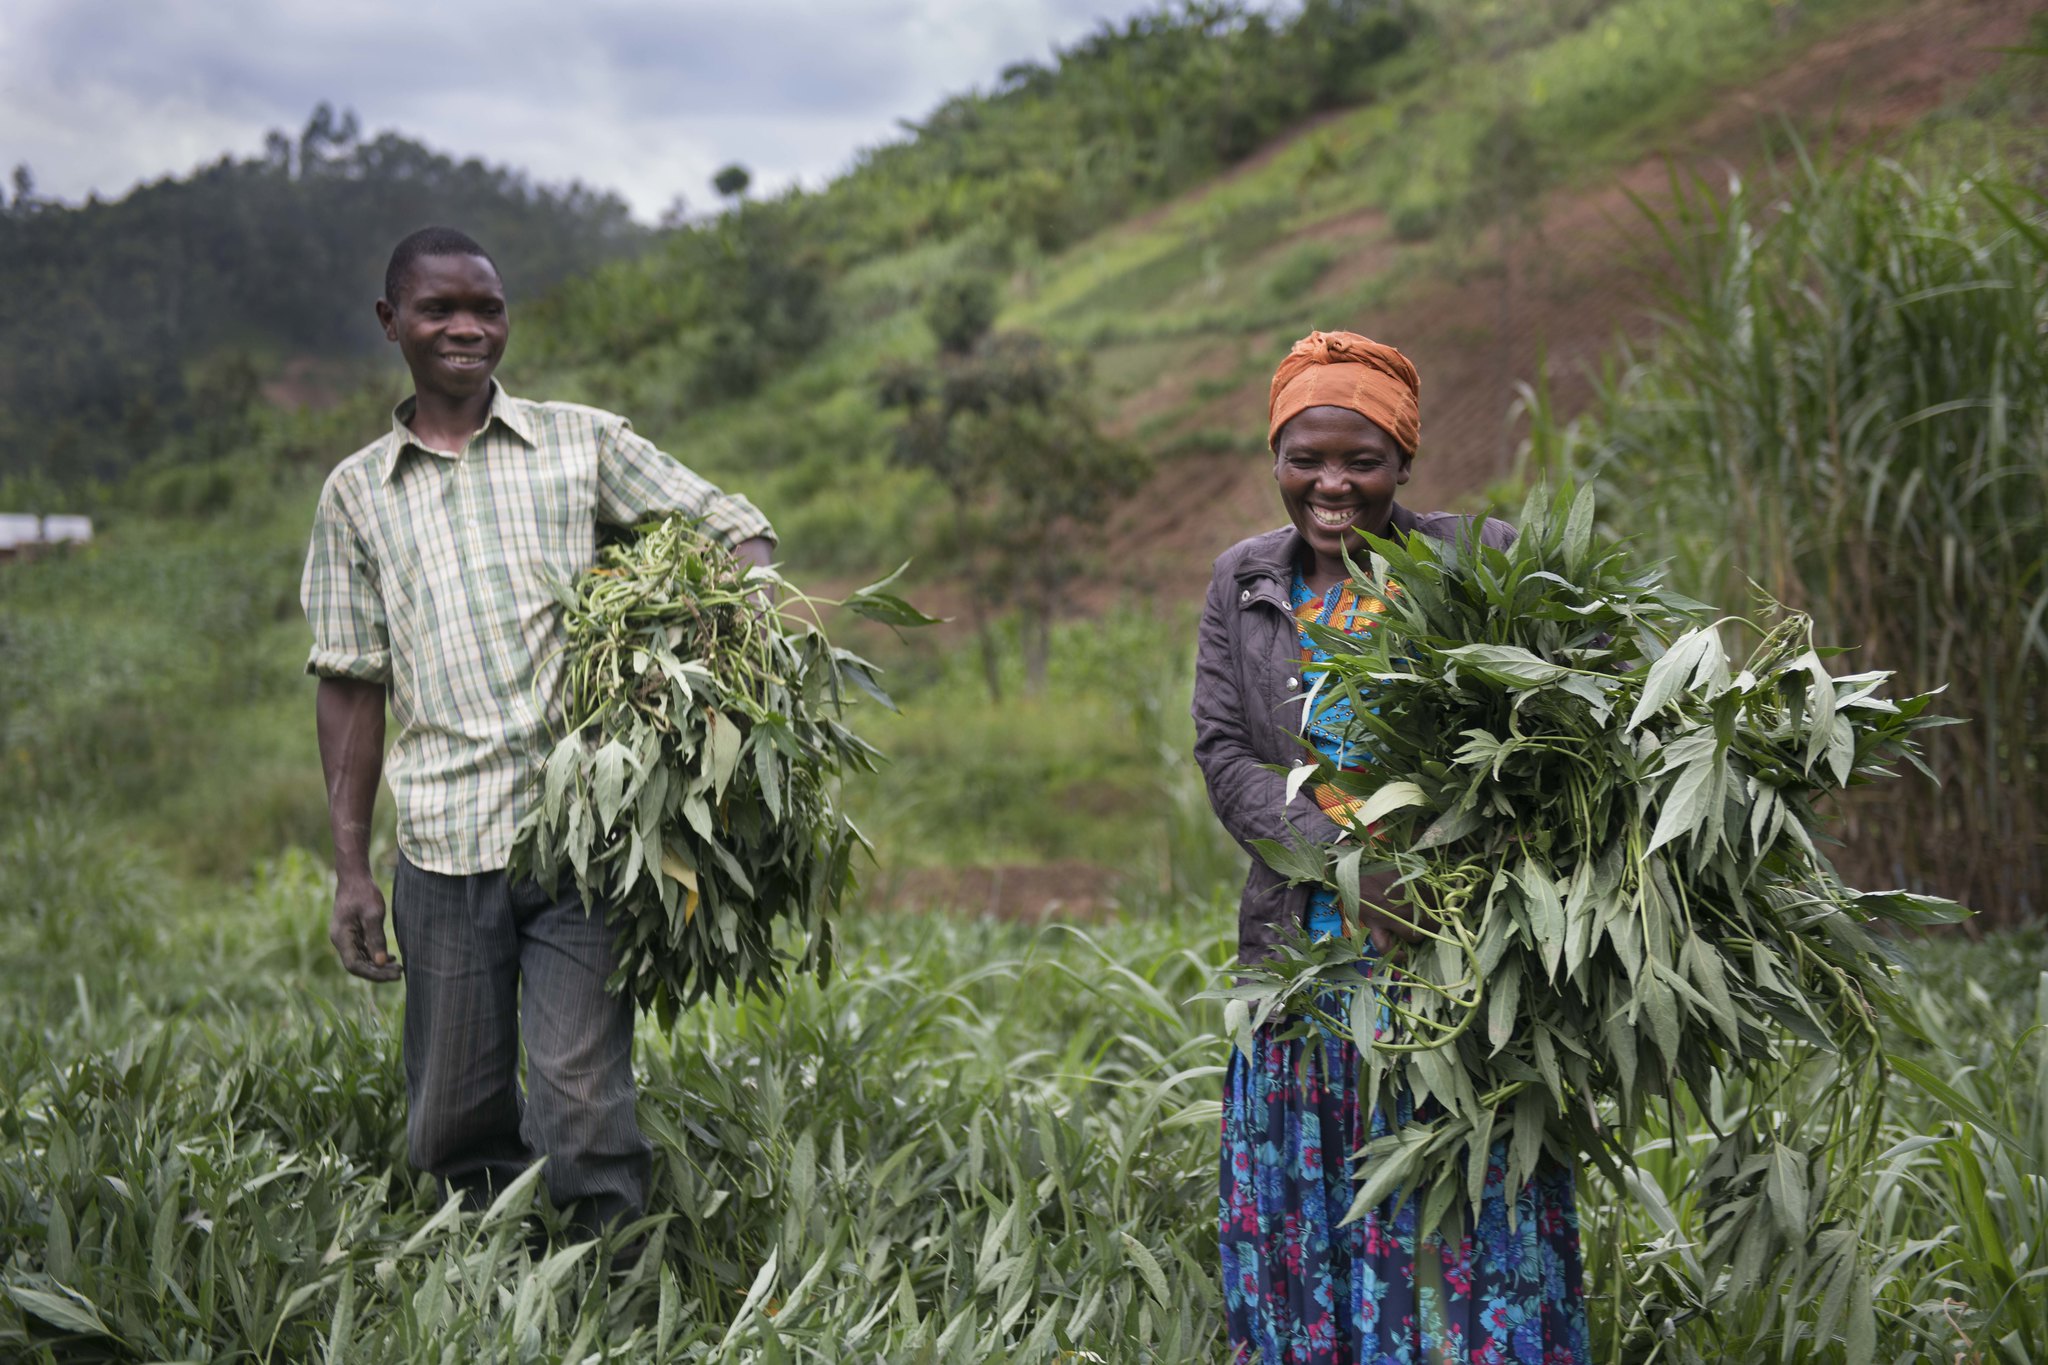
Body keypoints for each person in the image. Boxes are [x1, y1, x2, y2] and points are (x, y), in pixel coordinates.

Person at [302, 226, 775, 1239]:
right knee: (451, 1113)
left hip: (581, 837)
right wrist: (350, 867)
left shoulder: (581, 442)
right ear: (393, 325)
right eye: (439, 310)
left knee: (579, 1101)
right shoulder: (356, 495)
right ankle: (492, 1285)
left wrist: (720, 623)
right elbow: (348, 682)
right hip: (442, 841)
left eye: (487, 308)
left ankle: (615, 1292)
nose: (467, 328)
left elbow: (729, 523)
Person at [1193, 330, 1589, 1363]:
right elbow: (1226, 753)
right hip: (1302, 958)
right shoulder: (1242, 583)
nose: (1330, 485)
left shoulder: (1481, 562)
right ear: (1275, 460)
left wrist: (1435, 866)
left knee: (1459, 1201)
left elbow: (1560, 730)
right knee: (1311, 1208)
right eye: (1304, 459)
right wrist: (1344, 863)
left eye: (1359, 461)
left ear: (1402, 464)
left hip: (1456, 973)